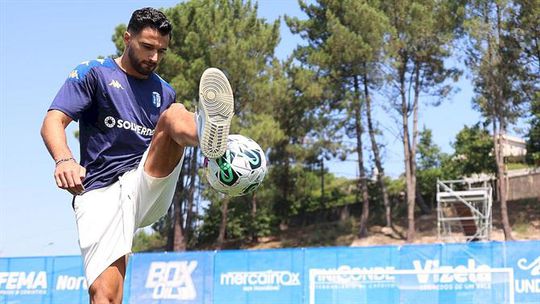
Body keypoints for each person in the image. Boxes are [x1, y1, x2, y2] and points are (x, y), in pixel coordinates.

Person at [40, 7, 234, 304]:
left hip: (146, 180)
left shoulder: (163, 90)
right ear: (126, 38)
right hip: (100, 191)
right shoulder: (93, 73)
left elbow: (169, 136)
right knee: (105, 295)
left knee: (173, 115)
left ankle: (211, 138)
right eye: (147, 47)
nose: (154, 57)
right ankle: (208, 134)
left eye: (161, 51)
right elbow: (53, 121)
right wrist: (64, 159)